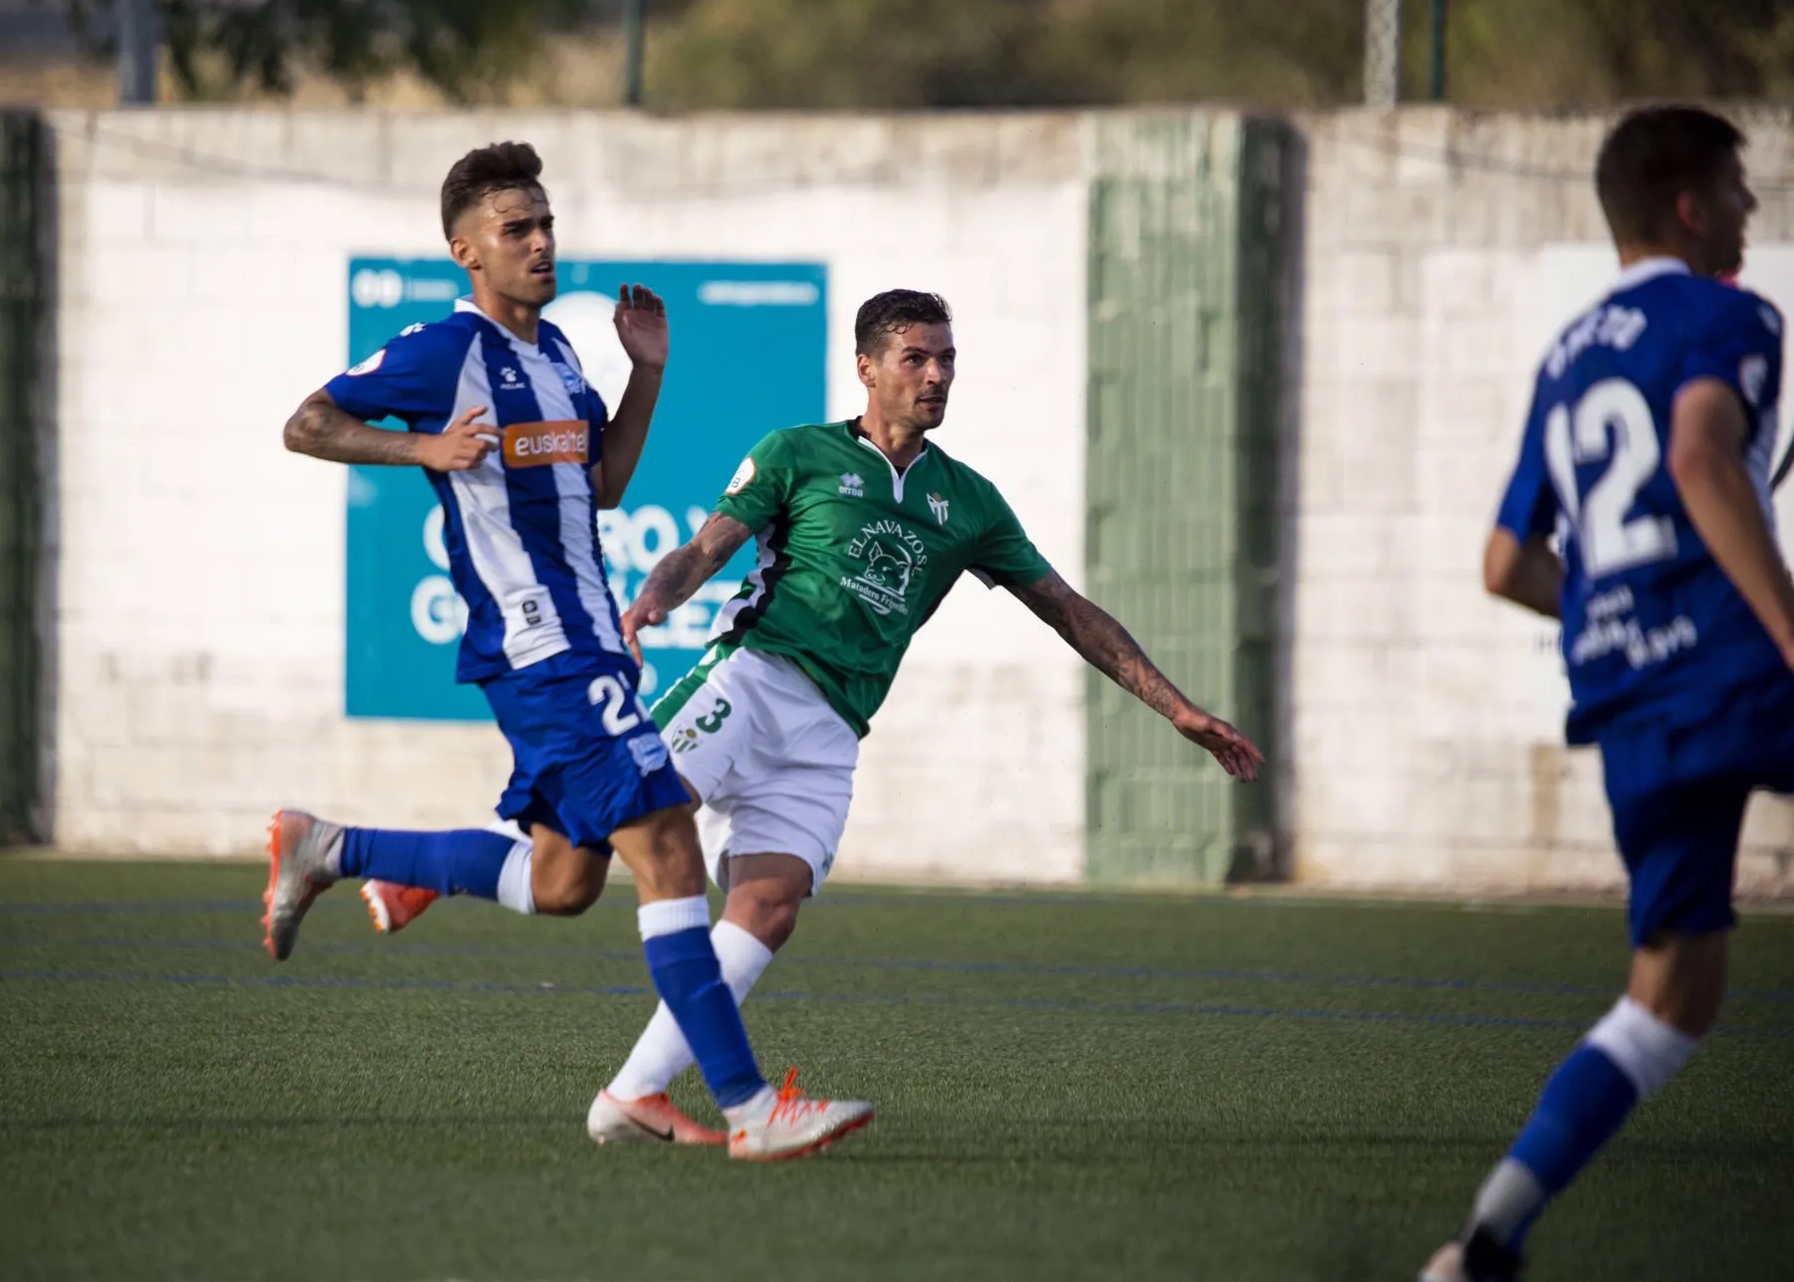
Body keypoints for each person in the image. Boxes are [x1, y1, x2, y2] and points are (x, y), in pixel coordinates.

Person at [362, 288, 1263, 1146]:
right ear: (867, 368)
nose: (937, 375)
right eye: (916, 358)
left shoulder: (970, 503)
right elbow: (703, 550)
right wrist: (650, 605)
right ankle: (432, 862)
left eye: (947, 359)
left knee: (768, 906)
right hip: (748, 681)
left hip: (832, 732)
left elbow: (1068, 609)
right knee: (598, 843)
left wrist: (1176, 707)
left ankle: (633, 1092)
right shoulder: (799, 452)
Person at [262, 140, 872, 1162]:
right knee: (668, 839)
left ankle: (329, 845)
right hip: (540, 647)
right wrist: (419, 447)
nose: (541, 243)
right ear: (466, 251)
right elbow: (307, 423)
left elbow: (607, 485)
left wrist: (646, 373)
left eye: (545, 224)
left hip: (587, 643)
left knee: (563, 882)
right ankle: (747, 1106)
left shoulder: (555, 356)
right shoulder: (442, 350)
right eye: (517, 230)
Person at [1420, 107, 1794, 1281]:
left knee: (1666, 1000)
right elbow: (1698, 454)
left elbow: (1505, 562)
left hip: (1628, 701)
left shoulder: (1566, 355)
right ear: (1691, 207)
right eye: (1737, 188)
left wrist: (1614, 616)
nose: (1750, 207)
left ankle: (1480, 1242)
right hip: (1729, 671)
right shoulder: (1727, 314)